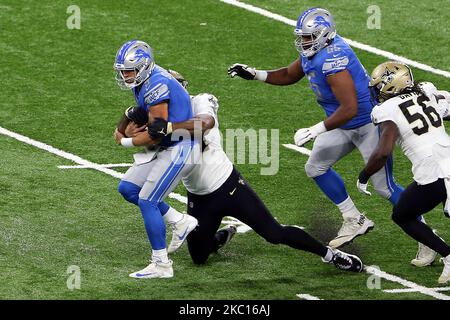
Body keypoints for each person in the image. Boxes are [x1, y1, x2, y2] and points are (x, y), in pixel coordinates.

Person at [226, 7, 436, 264]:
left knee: (384, 186)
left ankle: (427, 238)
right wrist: (256, 74)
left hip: (367, 123)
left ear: (324, 35)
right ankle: (354, 218)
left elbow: (350, 108)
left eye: (308, 37)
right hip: (343, 124)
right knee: (315, 167)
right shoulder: (316, 52)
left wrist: (316, 130)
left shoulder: (333, 59)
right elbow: (291, 74)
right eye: (302, 36)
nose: (303, 42)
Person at [147, 71, 364, 273]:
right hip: (198, 196)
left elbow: (204, 123)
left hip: (228, 186)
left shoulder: (199, 102)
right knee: (198, 256)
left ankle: (331, 255)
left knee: (274, 233)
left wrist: (167, 130)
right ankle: (223, 235)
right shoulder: (160, 120)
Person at [113, 40, 200, 279]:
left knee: (147, 200)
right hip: (168, 146)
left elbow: (155, 133)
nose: (125, 76)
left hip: (181, 147)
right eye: (122, 71)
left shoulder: (157, 84)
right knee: (128, 188)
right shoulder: (146, 80)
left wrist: (126, 141)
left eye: (129, 71)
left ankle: (161, 265)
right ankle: (179, 221)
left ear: (143, 66)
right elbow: (139, 112)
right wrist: (122, 128)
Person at [357, 61, 450, 284]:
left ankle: (447, 255)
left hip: (432, 172)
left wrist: (364, 175)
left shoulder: (385, 110)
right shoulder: (427, 90)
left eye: (379, 87)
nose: (376, 92)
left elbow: (383, 152)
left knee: (403, 215)